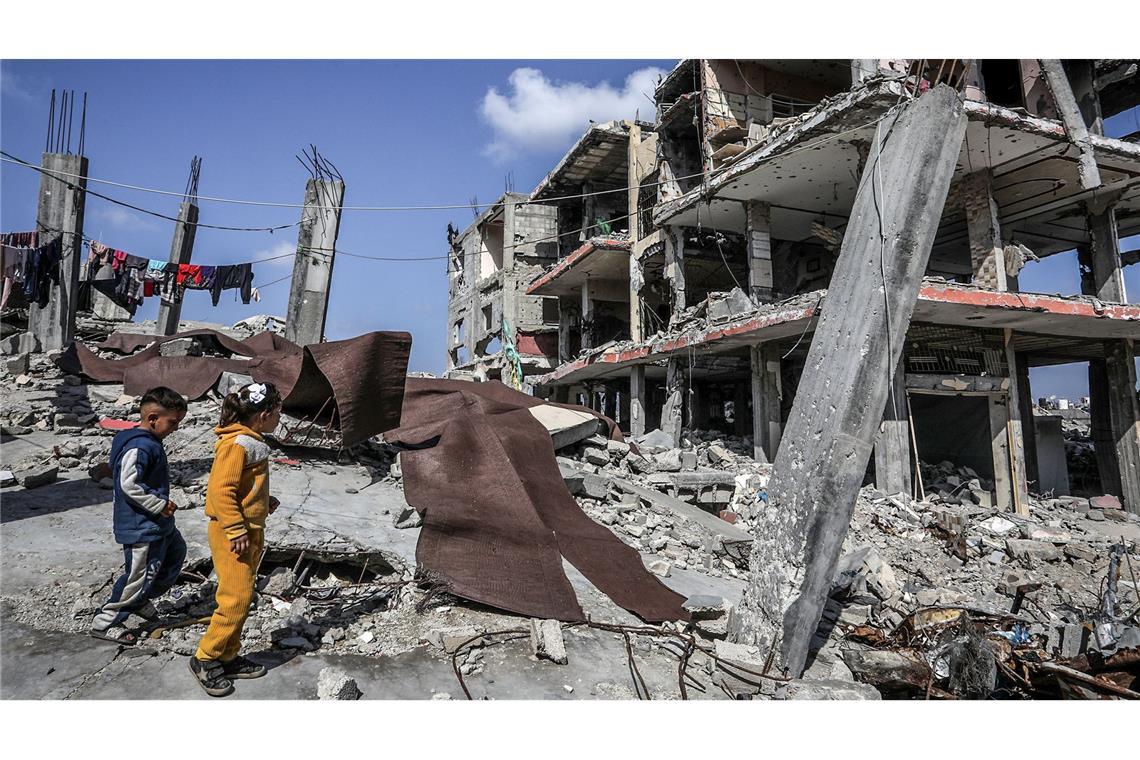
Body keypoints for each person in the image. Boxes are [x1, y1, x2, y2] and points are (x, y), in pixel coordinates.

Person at [189, 381, 282, 697]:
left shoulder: (251, 441)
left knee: (242, 596)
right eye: (278, 413)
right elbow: (221, 491)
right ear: (264, 414)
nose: (279, 419)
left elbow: (242, 487)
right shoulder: (236, 444)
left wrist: (262, 500)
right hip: (234, 533)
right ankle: (206, 657)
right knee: (236, 598)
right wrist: (236, 529)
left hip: (249, 528)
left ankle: (228, 656)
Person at [90, 386, 188, 645]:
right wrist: (157, 504)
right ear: (153, 418)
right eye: (173, 422)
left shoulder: (149, 442)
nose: (175, 428)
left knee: (174, 556)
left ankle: (139, 601)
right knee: (138, 576)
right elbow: (128, 483)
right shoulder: (140, 446)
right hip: (141, 526)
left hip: (158, 524)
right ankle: (106, 621)